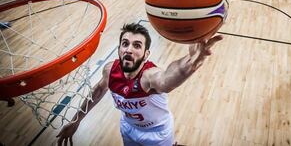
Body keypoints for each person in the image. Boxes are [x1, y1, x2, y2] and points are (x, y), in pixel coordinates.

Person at [56, 23, 223, 145]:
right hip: (129, 128)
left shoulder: (149, 77)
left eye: (137, 45)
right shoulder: (109, 70)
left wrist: (192, 61)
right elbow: (99, 90)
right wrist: (76, 120)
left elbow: (168, 78)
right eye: (125, 44)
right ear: (119, 49)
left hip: (157, 133)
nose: (129, 49)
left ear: (146, 54)